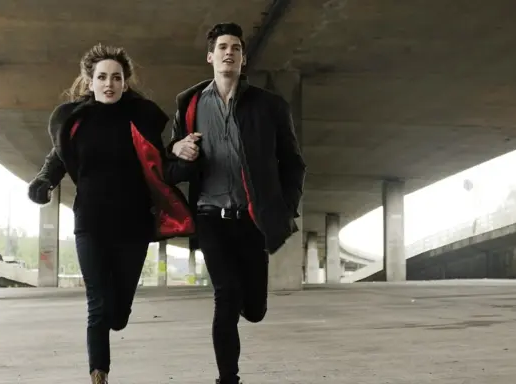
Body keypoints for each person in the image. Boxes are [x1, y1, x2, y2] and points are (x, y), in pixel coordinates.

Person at [26, 44, 196, 384]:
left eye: (116, 78)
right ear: (90, 81)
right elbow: (57, 158)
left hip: (132, 226)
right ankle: (98, 374)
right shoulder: (75, 122)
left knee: (118, 315)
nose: (109, 83)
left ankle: (112, 329)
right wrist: (44, 180)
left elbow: (158, 161)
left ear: (125, 83)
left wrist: (178, 151)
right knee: (98, 307)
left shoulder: (141, 119)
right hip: (90, 223)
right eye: (101, 77)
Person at [167, 22, 306, 384]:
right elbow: (171, 168)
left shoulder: (269, 106)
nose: (230, 52)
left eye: (237, 48)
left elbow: (292, 163)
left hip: (251, 219)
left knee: (255, 309)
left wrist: (285, 207)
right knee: (226, 295)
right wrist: (176, 149)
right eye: (223, 47)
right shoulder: (190, 104)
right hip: (210, 215)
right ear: (211, 56)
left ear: (243, 60)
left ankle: (251, 302)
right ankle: (228, 379)